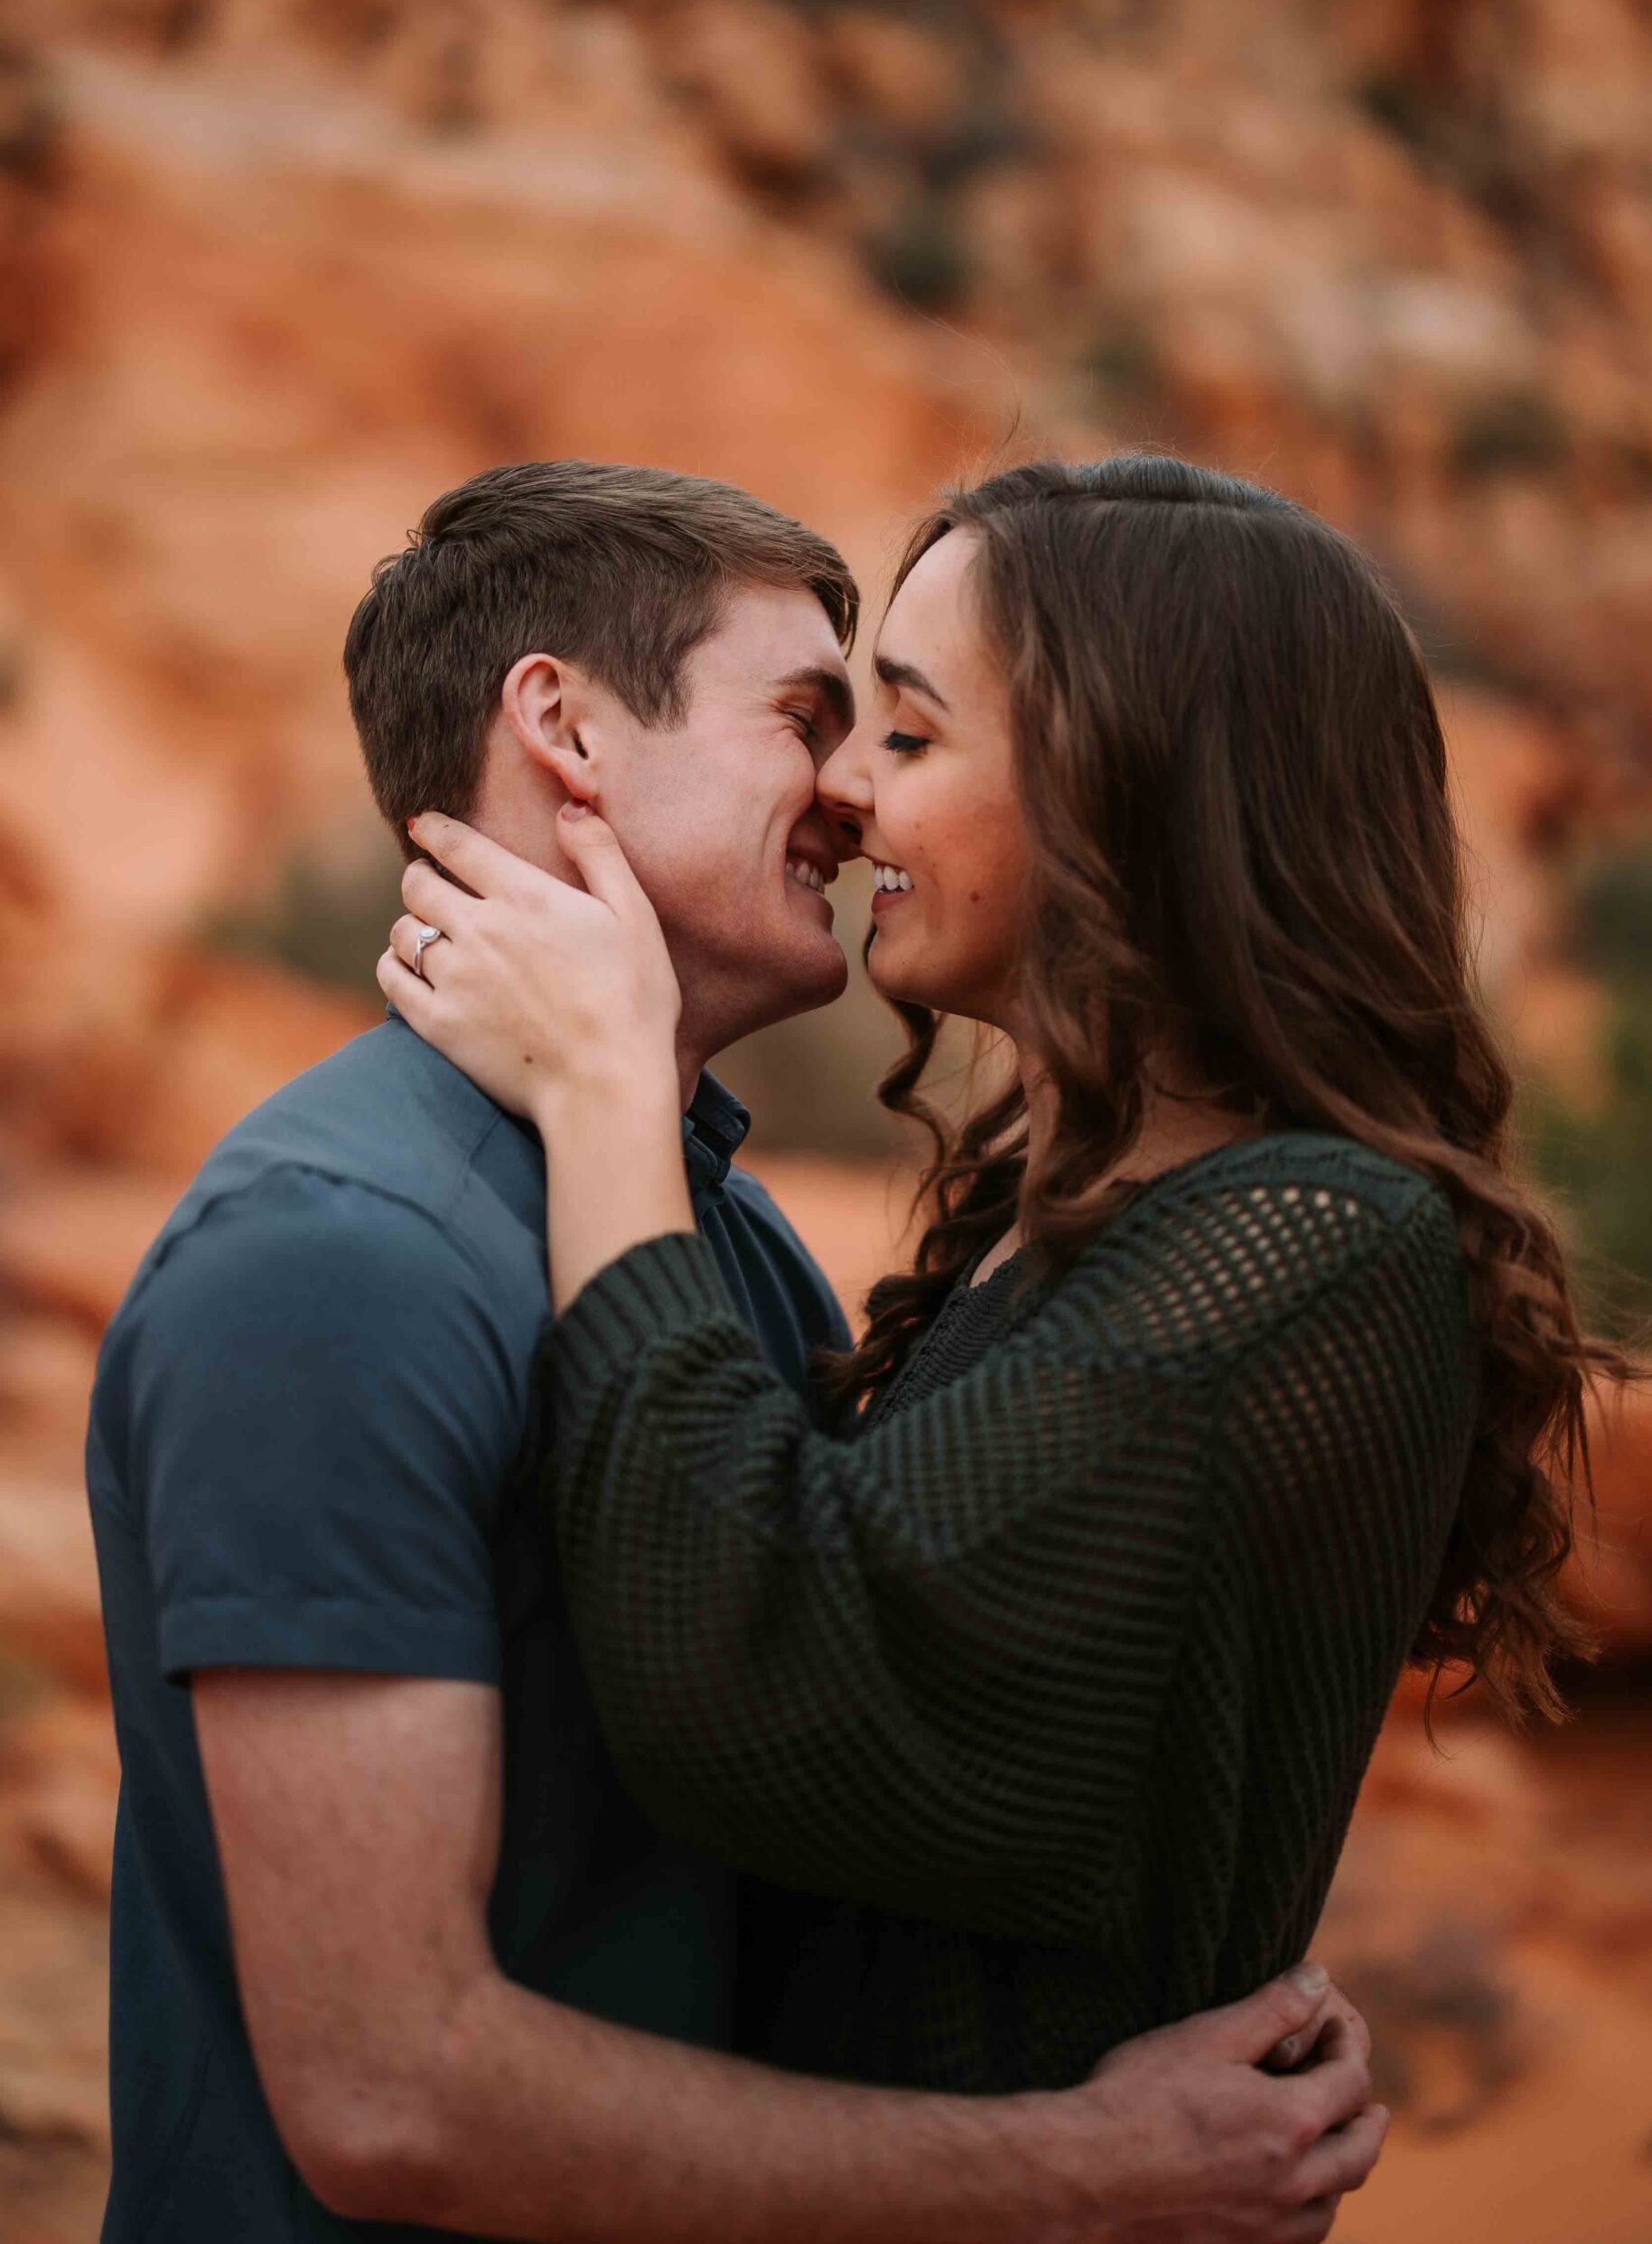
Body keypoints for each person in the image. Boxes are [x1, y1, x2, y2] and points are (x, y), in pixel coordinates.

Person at [87, 460, 1382, 2244]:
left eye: (892, 738)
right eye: (807, 719)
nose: (853, 796)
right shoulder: (333, 1262)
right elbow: (392, 2091)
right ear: (568, 729)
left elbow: (893, 1723)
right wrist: (1095, 2169)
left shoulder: (725, 1241)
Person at [387, 453, 1625, 2101]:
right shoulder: (1069, 1218)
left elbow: (758, 1680)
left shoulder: (1312, 1239)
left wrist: (606, 1089)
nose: (847, 795)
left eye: (905, 733)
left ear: (1125, 784)